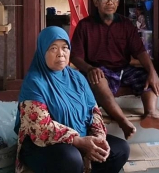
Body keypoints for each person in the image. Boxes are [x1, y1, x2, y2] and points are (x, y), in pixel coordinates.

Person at [14, 26, 129, 173]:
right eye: (53, 48)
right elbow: (40, 127)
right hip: (41, 144)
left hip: (81, 137)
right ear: (43, 51)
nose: (61, 54)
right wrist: (78, 141)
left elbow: (94, 111)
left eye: (65, 48)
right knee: (71, 158)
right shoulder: (34, 81)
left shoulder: (78, 78)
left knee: (120, 149)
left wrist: (98, 136)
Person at [70, 0, 159, 139]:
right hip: (99, 70)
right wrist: (89, 68)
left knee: (146, 77)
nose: (110, 2)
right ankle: (123, 122)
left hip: (123, 69)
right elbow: (75, 56)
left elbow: (140, 51)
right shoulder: (85, 26)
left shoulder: (125, 24)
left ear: (118, 1)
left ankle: (150, 114)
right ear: (96, 2)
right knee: (98, 80)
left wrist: (152, 72)